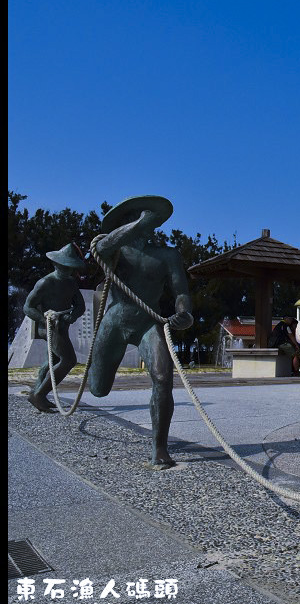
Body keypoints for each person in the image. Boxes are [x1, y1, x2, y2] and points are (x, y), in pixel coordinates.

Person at [87, 196, 194, 469]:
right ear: (127, 222)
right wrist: (138, 224)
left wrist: (184, 312)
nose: (147, 223)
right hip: (115, 321)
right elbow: (102, 246)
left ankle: (160, 448)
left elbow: (180, 291)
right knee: (98, 389)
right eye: (137, 217)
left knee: (163, 378)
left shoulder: (167, 256)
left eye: (149, 218)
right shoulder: (114, 250)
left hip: (149, 323)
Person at [22, 243, 87, 412]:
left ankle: (36, 394)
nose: (67, 270)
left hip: (62, 326)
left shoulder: (71, 284)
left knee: (53, 361)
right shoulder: (45, 283)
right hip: (49, 328)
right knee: (68, 360)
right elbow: (28, 307)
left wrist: (71, 316)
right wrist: (45, 320)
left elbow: (80, 306)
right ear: (56, 264)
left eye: (70, 267)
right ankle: (39, 395)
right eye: (64, 265)